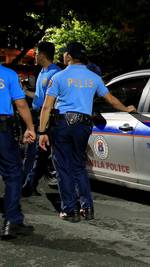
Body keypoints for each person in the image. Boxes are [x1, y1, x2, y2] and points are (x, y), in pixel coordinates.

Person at [38, 42, 136, 222]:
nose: (63, 56)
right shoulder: (94, 78)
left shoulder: (59, 77)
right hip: (84, 125)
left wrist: (41, 131)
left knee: (63, 168)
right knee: (79, 167)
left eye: (65, 53)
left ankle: (70, 210)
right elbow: (111, 99)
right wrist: (126, 109)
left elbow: (46, 107)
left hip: (63, 124)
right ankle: (87, 207)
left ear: (69, 56)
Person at [0, 63, 36, 239]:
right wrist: (30, 127)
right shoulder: (8, 74)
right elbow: (21, 105)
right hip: (2, 130)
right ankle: (11, 221)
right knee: (13, 174)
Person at [22, 42, 61, 197]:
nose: (34, 56)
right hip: (37, 115)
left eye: (36, 53)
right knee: (34, 152)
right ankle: (29, 183)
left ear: (43, 55)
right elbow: (39, 97)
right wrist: (24, 91)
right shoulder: (42, 72)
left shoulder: (55, 73)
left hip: (48, 118)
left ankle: (28, 185)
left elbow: (52, 100)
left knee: (40, 153)